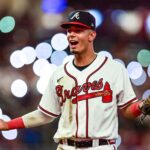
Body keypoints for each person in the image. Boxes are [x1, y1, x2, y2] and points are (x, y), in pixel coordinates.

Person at [0, 10, 149, 150]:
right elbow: (44, 114)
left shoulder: (114, 69)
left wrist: (141, 106)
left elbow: (127, 109)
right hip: (66, 146)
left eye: (78, 31)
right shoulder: (58, 74)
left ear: (91, 35)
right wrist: (8, 124)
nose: (71, 35)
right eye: (69, 30)